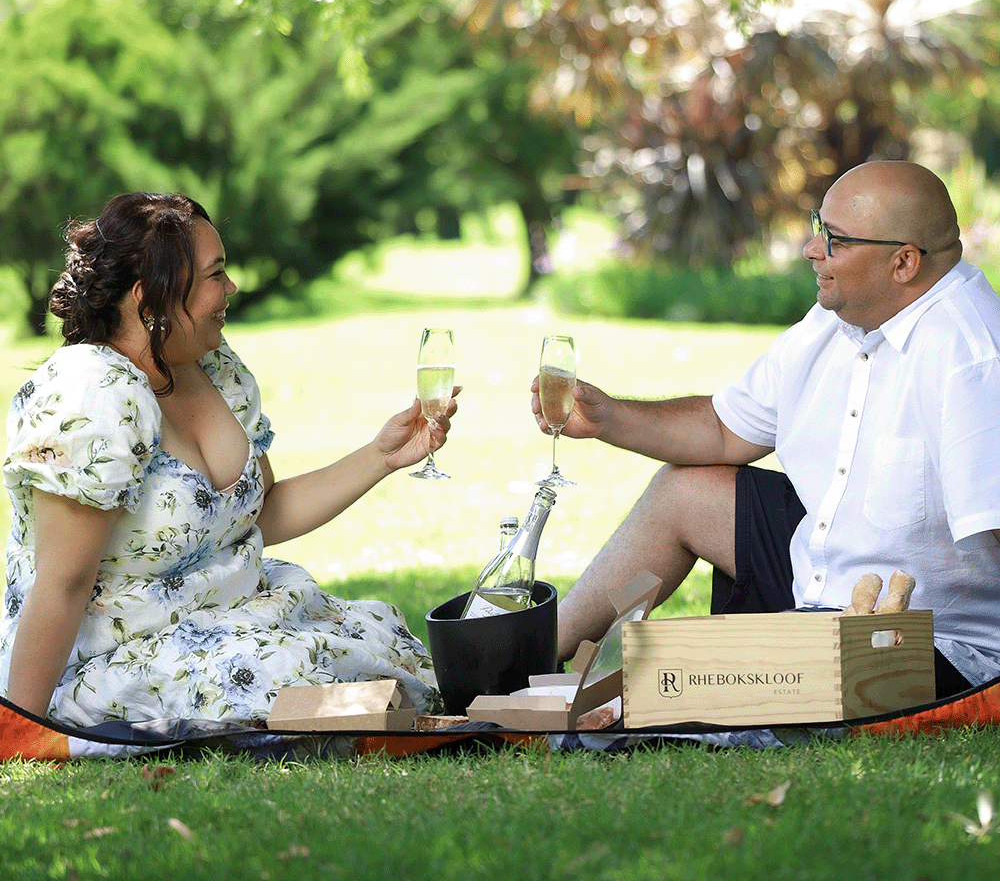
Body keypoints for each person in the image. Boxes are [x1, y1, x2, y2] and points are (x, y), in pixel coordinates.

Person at [535, 160, 1000, 699]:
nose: (811, 249)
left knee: (687, 682)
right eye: (816, 226)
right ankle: (531, 656)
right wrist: (609, 417)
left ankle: (610, 701)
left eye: (835, 240)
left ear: (903, 262)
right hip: (823, 591)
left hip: (935, 642)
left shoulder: (971, 355)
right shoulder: (838, 318)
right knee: (685, 490)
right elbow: (723, 429)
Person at [1, 193, 459, 727]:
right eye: (215, 273)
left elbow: (256, 515)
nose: (232, 288)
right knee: (317, 691)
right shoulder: (92, 394)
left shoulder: (213, 367)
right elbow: (63, 583)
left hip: (232, 618)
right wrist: (21, 728)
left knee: (396, 668)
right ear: (150, 298)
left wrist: (381, 456)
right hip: (118, 656)